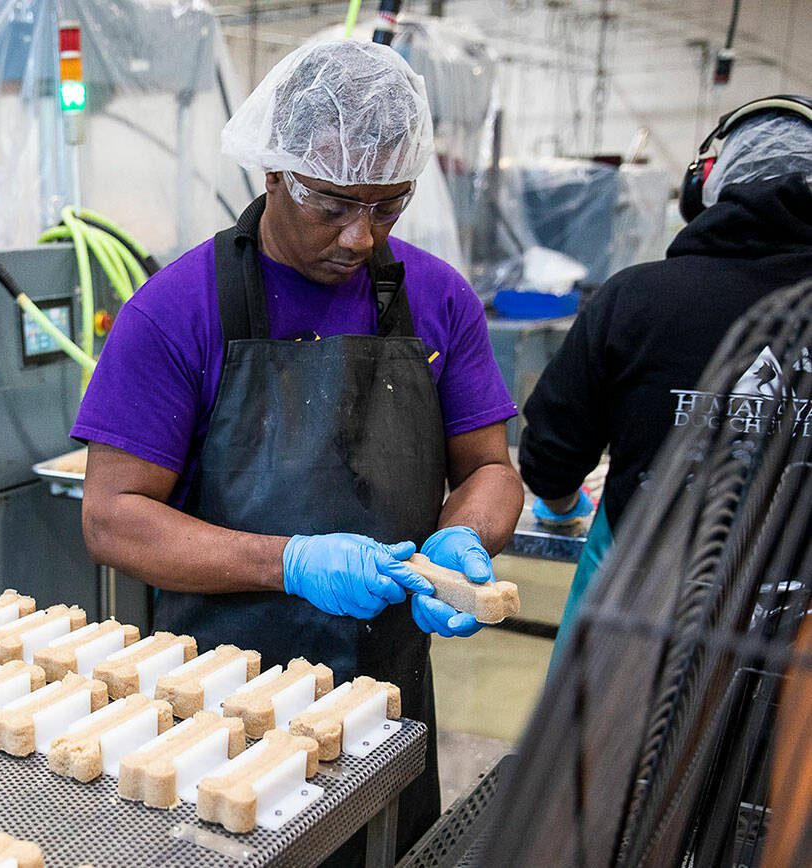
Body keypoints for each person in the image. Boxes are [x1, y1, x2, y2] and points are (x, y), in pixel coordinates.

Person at [71, 40, 522, 858]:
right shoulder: (177, 311)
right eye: (332, 204)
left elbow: (490, 469)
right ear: (272, 170)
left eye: (387, 206)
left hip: (388, 693)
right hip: (219, 700)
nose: (359, 236)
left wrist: (464, 537)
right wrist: (289, 561)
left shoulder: (438, 298)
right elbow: (111, 518)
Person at [520, 96, 812, 657]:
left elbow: (551, 458)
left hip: (645, 635)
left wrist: (564, 507)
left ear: (706, 185)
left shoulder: (634, 299)